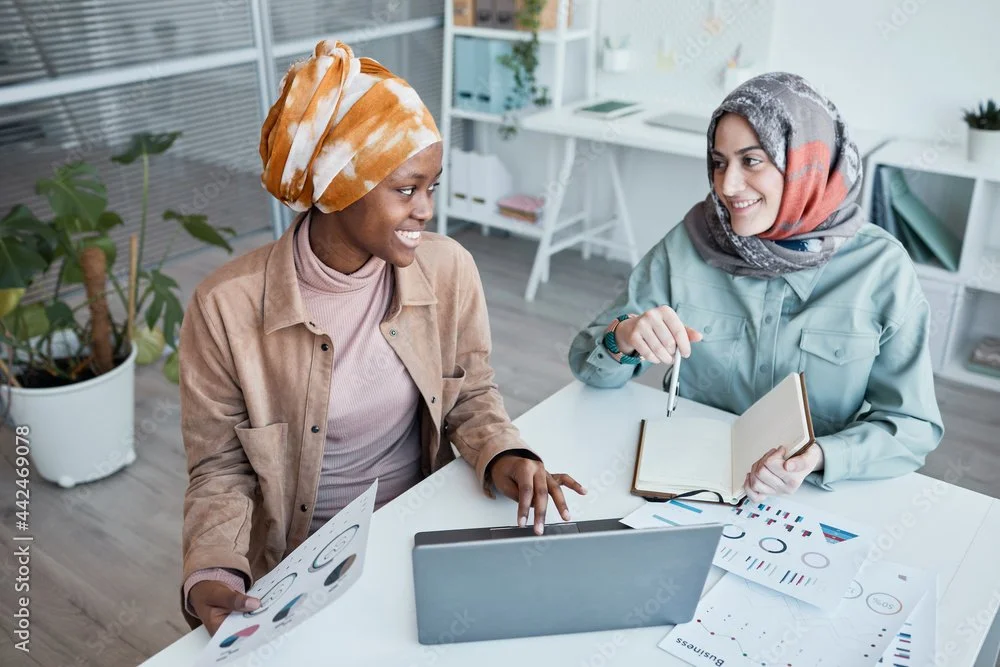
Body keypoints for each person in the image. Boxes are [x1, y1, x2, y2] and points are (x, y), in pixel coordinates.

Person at [179, 41, 583, 634]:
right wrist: (213, 569)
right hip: (301, 563)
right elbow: (219, 468)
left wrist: (505, 453)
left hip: (419, 529)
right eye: (404, 189)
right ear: (339, 187)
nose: (426, 211)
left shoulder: (448, 270)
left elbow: (470, 395)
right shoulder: (225, 307)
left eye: (432, 187)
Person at [569, 72, 943, 504]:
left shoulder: (880, 269)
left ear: (805, 164)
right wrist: (625, 336)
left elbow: (912, 427)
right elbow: (587, 368)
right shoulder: (691, 242)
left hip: (811, 499)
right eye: (719, 161)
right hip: (690, 487)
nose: (726, 186)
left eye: (751, 160)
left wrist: (820, 457)